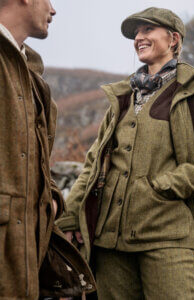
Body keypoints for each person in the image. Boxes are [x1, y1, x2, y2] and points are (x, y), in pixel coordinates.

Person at [57, 7, 194, 299]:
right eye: (136, 33)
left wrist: (165, 185)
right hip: (109, 243)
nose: (139, 37)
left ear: (173, 39)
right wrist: (69, 218)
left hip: (168, 238)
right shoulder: (123, 97)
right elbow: (93, 165)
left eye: (147, 30)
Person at [0, 0, 95, 299]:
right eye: (49, 0)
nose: (53, 10)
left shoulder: (32, 74)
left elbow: (36, 161)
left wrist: (50, 200)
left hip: (25, 253)